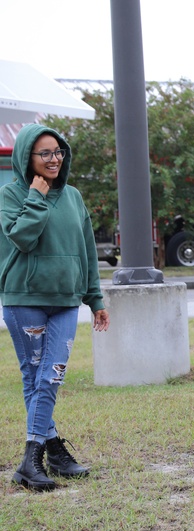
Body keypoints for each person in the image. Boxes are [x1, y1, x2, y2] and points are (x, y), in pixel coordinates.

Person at [1, 124, 109, 492]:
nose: (54, 159)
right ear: (26, 157)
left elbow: (87, 250)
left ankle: (39, 456)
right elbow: (22, 237)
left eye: (58, 152)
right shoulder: (10, 194)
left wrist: (95, 298)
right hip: (24, 300)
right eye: (45, 153)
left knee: (50, 376)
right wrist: (36, 197)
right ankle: (44, 457)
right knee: (37, 378)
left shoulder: (74, 197)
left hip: (65, 301)